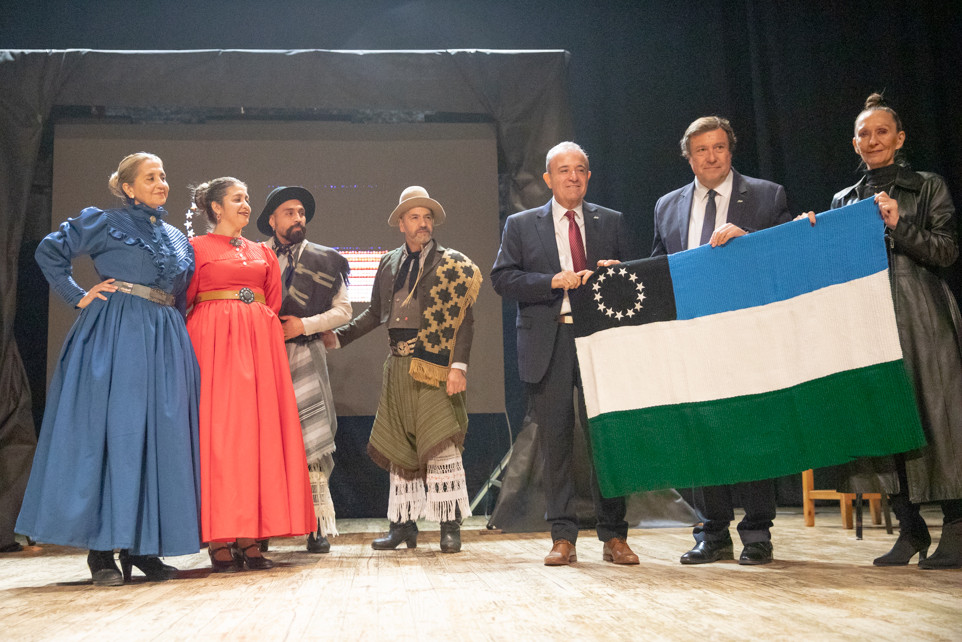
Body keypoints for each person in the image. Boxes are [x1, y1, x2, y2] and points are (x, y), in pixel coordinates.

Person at [16, 152, 201, 585]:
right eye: (150, 177)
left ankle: (143, 549)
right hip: (118, 332)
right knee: (115, 434)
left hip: (165, 337)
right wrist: (75, 293)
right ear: (128, 187)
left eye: (163, 175)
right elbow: (49, 251)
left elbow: (179, 294)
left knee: (158, 438)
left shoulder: (177, 236)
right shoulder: (104, 221)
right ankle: (101, 551)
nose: (161, 183)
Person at [825, 93, 962, 569]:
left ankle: (957, 529)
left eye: (882, 131)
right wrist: (813, 235)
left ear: (899, 138)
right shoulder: (843, 200)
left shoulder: (928, 185)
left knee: (939, 422)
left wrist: (899, 223)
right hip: (868, 320)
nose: (873, 140)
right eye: (864, 134)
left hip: (922, 316)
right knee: (884, 420)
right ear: (854, 144)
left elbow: (945, 251)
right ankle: (910, 529)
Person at [491, 141, 639, 566]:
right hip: (549, 342)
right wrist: (551, 281)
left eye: (580, 169)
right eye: (563, 170)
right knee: (555, 442)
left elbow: (634, 280)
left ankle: (615, 536)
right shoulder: (521, 224)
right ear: (547, 178)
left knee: (607, 439)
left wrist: (616, 274)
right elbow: (502, 279)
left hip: (601, 343)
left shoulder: (611, 221)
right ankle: (562, 536)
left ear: (588, 176)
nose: (572, 176)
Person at [652, 116, 791, 566]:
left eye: (718, 148)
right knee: (701, 433)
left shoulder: (767, 195)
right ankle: (712, 533)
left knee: (752, 431)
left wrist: (748, 240)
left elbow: (785, 255)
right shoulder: (667, 206)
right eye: (701, 150)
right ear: (688, 157)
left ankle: (757, 533)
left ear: (730, 151)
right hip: (692, 336)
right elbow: (660, 268)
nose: (711, 157)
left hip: (748, 333)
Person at [326, 186, 480, 553]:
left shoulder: (451, 263)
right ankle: (403, 526)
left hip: (434, 365)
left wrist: (458, 367)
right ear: (401, 224)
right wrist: (340, 337)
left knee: (440, 443)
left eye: (427, 217)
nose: (423, 223)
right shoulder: (388, 262)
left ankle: (449, 526)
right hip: (397, 366)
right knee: (400, 448)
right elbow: (375, 313)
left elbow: (464, 319)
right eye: (415, 217)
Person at [186, 177, 315, 572]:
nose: (245, 205)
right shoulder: (194, 248)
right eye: (237, 199)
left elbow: (271, 300)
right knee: (221, 436)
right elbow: (184, 297)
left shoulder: (262, 251)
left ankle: (249, 536)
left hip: (259, 345)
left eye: (247, 198)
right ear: (215, 208)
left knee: (256, 436)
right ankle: (220, 538)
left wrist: (251, 324)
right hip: (214, 344)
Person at [259, 186, 351, 553]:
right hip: (263, 358)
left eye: (301, 212)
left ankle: (316, 525)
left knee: (311, 439)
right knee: (266, 440)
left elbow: (343, 311)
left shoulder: (326, 260)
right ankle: (260, 528)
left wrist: (303, 325)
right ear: (272, 220)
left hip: (306, 353)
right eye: (289, 212)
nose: (298, 218)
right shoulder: (254, 256)